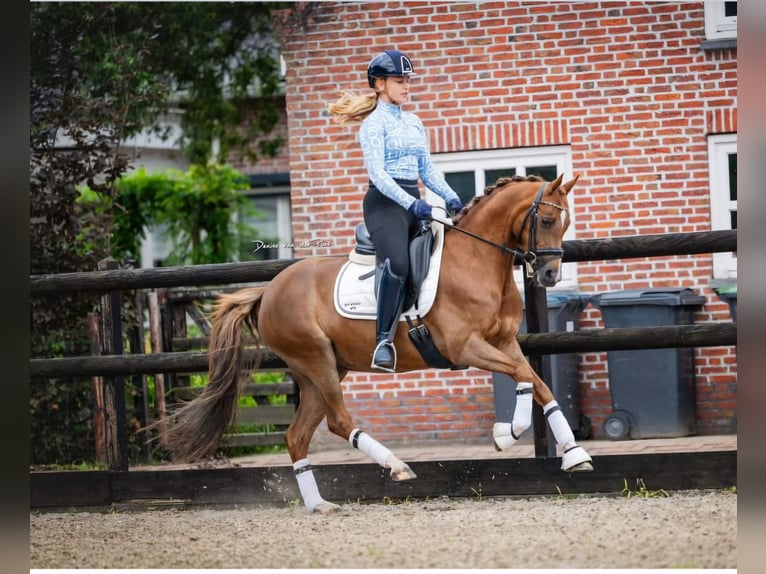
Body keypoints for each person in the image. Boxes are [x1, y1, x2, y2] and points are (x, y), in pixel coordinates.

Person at [328, 49, 464, 372]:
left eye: (408, 81)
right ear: (379, 84)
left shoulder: (415, 123)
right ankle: (383, 342)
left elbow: (427, 170)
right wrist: (412, 203)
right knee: (399, 263)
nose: (406, 86)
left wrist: (453, 197)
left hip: (413, 201)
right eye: (399, 81)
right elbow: (378, 175)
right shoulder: (373, 126)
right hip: (385, 205)